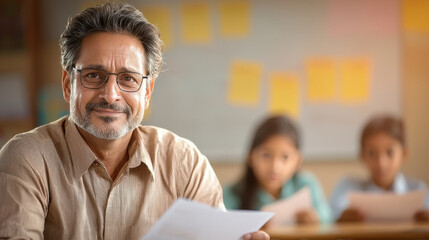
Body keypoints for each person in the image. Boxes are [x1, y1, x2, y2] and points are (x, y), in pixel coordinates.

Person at [0, 3, 269, 240]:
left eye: (128, 79)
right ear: (68, 84)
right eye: (94, 75)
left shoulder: (184, 163)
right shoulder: (27, 158)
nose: (110, 95)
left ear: (147, 91)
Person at [223, 115, 332, 225]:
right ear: (250, 157)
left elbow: (328, 215)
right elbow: (223, 225)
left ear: (298, 161)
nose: (275, 167)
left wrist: (316, 217)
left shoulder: (305, 185)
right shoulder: (232, 194)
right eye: (266, 155)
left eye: (285, 157)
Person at [330, 114, 429, 222]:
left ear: (404, 154)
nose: (381, 163)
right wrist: (341, 218)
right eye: (372, 153)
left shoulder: (418, 190)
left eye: (390, 152)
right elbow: (330, 216)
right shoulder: (348, 187)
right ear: (362, 155)